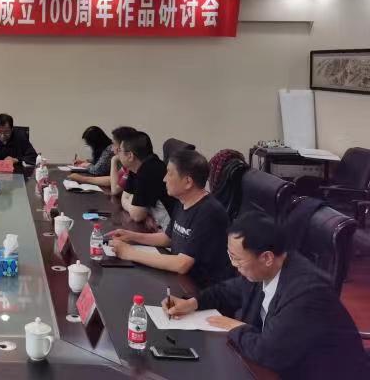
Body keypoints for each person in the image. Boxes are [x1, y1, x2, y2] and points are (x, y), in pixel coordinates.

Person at [163, 212, 368, 379]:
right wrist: (193, 303)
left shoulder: (307, 292)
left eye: (237, 259)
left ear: (267, 257)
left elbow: (269, 352)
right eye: (230, 255)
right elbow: (226, 291)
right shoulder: (266, 269)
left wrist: (235, 327)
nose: (233, 265)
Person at [107, 149, 232, 287]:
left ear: (188, 182)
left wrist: (130, 253)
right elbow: (168, 238)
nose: (164, 179)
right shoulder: (183, 201)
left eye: (169, 173)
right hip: (180, 280)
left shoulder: (209, 212)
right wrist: (131, 236)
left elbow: (182, 264)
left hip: (201, 289)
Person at [118, 131, 175, 230]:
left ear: (130, 156)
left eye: (120, 150)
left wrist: (134, 204)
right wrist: (140, 210)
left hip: (168, 230)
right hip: (155, 226)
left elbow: (137, 215)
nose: (117, 153)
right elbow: (125, 196)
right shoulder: (135, 167)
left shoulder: (150, 170)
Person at [108, 126, 139, 197]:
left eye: (114, 144)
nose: (112, 149)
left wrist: (113, 161)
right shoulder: (127, 165)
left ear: (123, 145)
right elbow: (114, 180)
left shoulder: (132, 165)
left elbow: (115, 190)